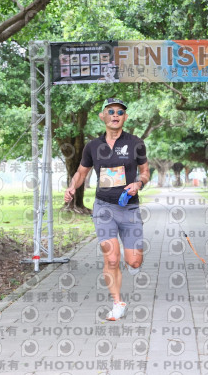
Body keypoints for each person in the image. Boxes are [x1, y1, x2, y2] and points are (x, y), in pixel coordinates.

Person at [64, 97, 150, 321]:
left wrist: (139, 183)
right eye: (110, 111)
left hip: (129, 208)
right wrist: (72, 187)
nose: (115, 115)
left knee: (134, 261)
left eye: (120, 112)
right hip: (103, 208)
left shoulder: (136, 143)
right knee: (111, 259)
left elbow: (145, 172)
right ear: (102, 116)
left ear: (125, 117)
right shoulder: (93, 146)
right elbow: (81, 172)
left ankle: (133, 264)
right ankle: (117, 303)